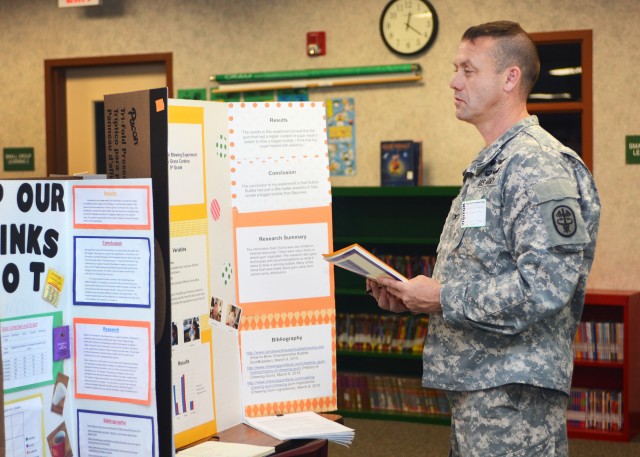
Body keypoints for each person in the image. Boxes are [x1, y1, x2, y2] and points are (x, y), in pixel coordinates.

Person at [367, 21, 600, 457]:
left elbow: (545, 287)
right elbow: (482, 268)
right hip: (480, 387)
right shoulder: (493, 165)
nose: (454, 81)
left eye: (468, 70)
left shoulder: (537, 165)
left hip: (512, 397)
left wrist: (441, 298)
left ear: (510, 78)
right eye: (456, 68)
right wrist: (411, 297)